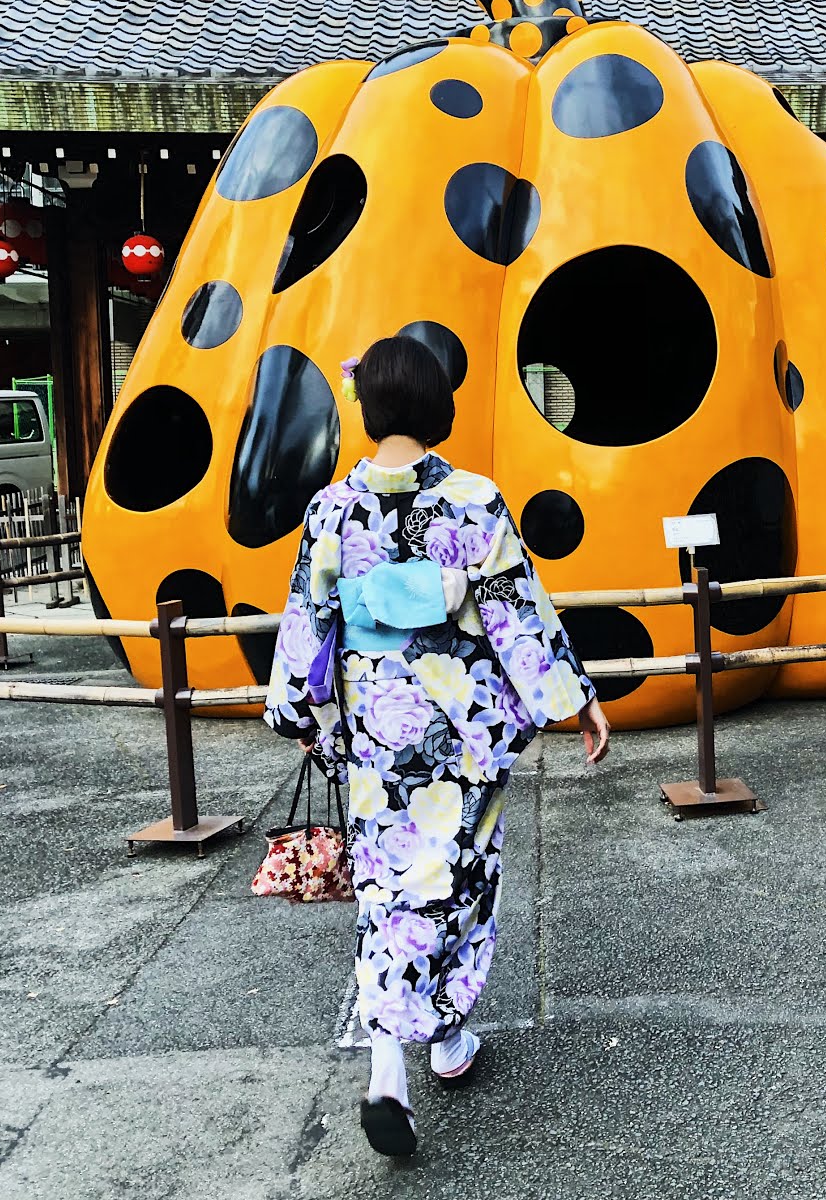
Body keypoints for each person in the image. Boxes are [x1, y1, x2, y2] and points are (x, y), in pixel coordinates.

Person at [264, 336, 610, 1159]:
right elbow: (517, 616)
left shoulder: (330, 510)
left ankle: (406, 1057)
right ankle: (431, 1047)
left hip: (377, 731)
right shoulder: (474, 501)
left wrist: (298, 711)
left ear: (369, 409)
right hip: (460, 729)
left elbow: (309, 621)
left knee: (389, 884)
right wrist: (576, 700)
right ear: (434, 407)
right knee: (457, 879)